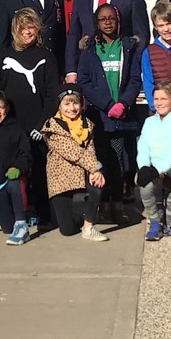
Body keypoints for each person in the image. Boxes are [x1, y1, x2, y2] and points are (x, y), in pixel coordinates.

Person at [0, 8, 61, 227]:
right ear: (16, 30)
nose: (28, 32)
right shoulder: (5, 56)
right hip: (12, 124)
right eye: (23, 27)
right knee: (15, 173)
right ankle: (17, 213)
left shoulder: (46, 57)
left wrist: (42, 125)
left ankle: (43, 214)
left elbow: (52, 94)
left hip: (37, 125)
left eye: (31, 27)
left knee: (39, 172)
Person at [77, 3, 144, 223]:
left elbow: (135, 79)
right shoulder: (90, 50)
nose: (107, 22)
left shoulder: (128, 46)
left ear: (118, 21)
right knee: (103, 162)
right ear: (96, 23)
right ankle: (103, 205)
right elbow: (84, 81)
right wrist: (107, 104)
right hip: (101, 118)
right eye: (103, 19)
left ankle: (119, 204)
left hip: (124, 118)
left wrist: (123, 103)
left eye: (111, 18)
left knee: (122, 163)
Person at [65, 0, 150, 83]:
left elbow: (142, 35)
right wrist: (71, 70)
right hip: (90, 70)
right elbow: (74, 34)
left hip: (122, 70)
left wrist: (135, 67)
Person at [41, 84, 109, 241]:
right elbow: (73, 152)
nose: (71, 108)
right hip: (61, 179)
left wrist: (95, 171)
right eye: (67, 103)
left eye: (75, 103)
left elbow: (90, 150)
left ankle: (88, 226)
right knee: (67, 230)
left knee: (98, 181)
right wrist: (94, 167)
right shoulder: (52, 126)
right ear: (59, 105)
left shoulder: (87, 124)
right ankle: (77, 215)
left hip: (83, 172)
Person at [134, 80, 171, 241]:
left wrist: (157, 169)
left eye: (163, 99)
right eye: (156, 99)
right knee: (143, 184)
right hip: (154, 173)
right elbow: (143, 145)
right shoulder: (150, 121)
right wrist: (145, 167)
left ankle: (169, 216)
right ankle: (154, 221)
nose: (159, 103)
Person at [0, 88, 34, 246]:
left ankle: (22, 224)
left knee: (15, 183)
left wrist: (18, 167)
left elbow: (26, 154)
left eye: (1, 107)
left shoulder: (16, 129)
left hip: (12, 179)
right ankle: (16, 222)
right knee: (6, 228)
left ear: (7, 109)